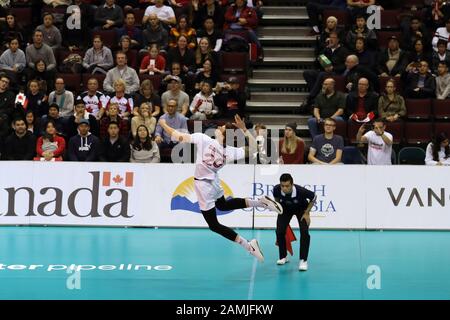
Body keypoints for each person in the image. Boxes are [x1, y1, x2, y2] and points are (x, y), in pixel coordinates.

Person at [158, 114, 283, 262]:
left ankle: (249, 246)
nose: (218, 128)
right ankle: (261, 202)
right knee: (223, 205)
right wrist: (243, 129)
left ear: (222, 136)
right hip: (215, 181)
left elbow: (177, 136)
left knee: (214, 225)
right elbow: (255, 147)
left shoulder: (204, 139)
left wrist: (163, 124)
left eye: (221, 128)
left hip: (204, 186)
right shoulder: (230, 151)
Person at [273, 173, 316, 271]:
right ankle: (283, 256)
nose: (284, 188)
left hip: (301, 210)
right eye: (282, 186)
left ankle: (303, 260)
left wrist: (307, 213)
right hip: (285, 209)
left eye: (287, 186)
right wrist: (279, 209)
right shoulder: (276, 189)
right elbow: (276, 200)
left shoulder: (301, 191)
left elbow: (314, 198)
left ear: (292, 184)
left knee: (304, 232)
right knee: (280, 231)